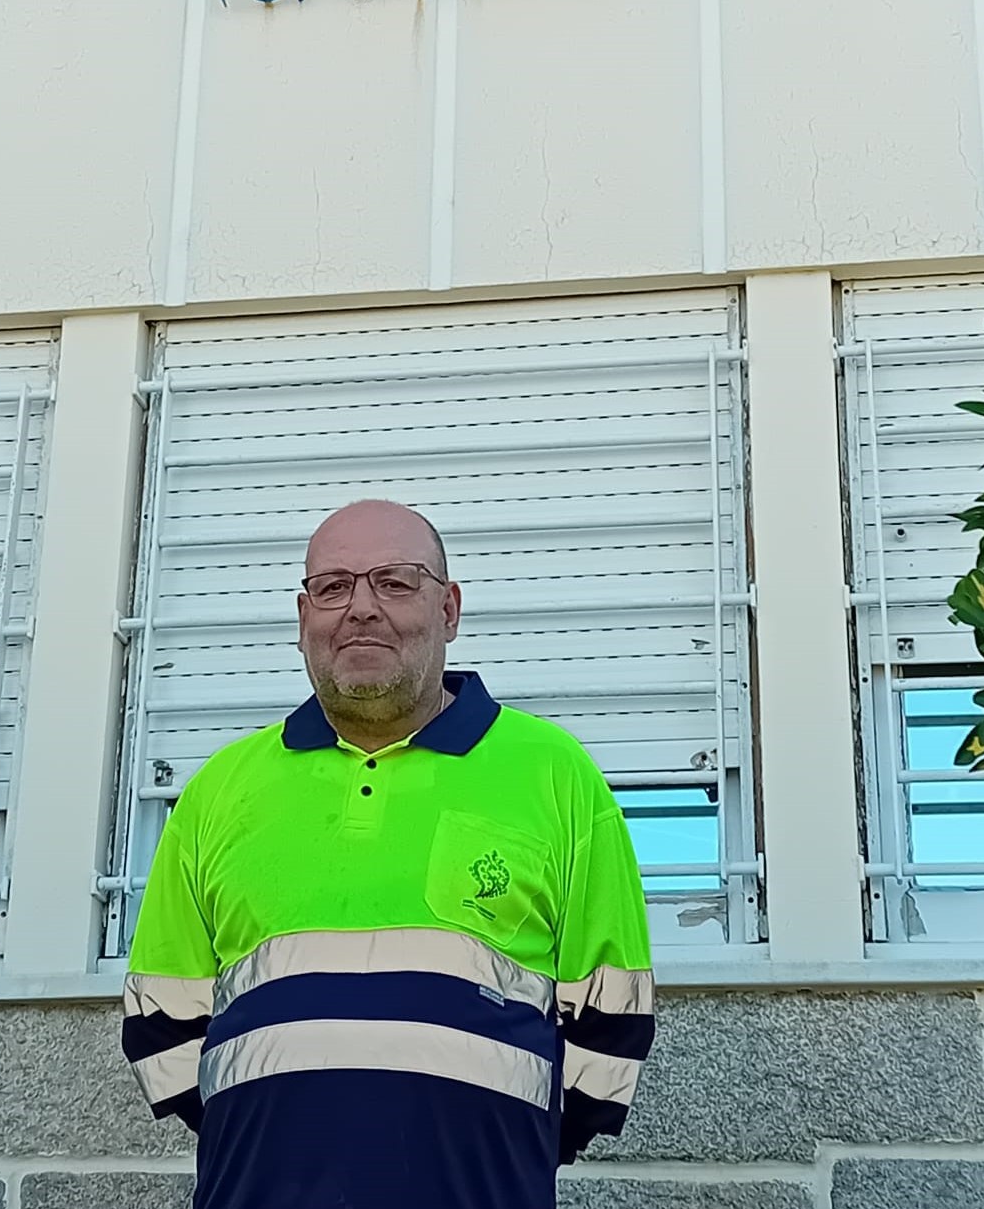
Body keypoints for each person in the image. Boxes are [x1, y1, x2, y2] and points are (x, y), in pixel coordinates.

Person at [121, 498, 655, 1209]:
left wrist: (499, 1142)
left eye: (395, 582)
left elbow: (612, 1012)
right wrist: (275, 1132)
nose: (361, 608)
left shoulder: (556, 775)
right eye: (334, 586)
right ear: (303, 615)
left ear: (449, 609)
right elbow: (161, 1016)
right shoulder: (220, 789)